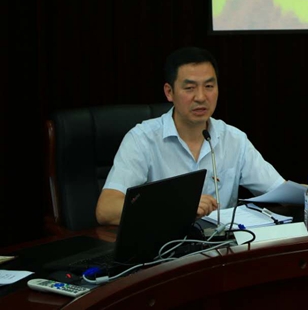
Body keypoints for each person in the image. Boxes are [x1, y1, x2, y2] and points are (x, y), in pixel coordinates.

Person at [95, 46, 285, 226]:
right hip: (165, 245)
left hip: (221, 244)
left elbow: (280, 192)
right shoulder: (142, 139)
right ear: (169, 92)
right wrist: (177, 207)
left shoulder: (233, 139)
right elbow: (106, 210)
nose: (201, 97)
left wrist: (303, 193)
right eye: (190, 88)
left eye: (209, 86)